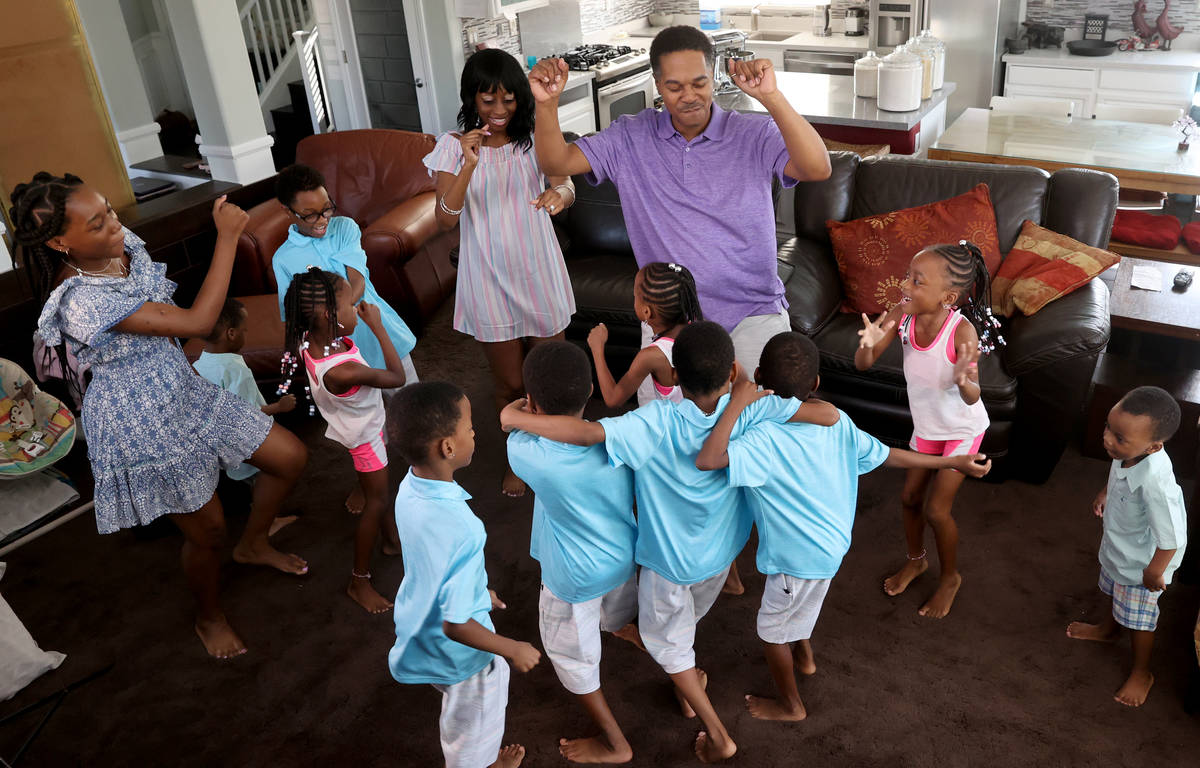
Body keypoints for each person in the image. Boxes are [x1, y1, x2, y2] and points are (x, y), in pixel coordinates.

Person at [501, 321, 837, 764]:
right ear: (733, 370)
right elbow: (828, 414)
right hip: (721, 555)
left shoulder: (653, 422)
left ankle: (717, 732)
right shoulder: (750, 409)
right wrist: (742, 398)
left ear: (673, 377)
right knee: (677, 629)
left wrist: (511, 417)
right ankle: (684, 678)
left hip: (671, 564)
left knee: (669, 644)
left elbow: (589, 435)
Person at [13, 172, 308, 660]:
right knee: (208, 530)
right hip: (137, 421)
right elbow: (197, 323)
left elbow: (175, 325)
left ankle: (252, 543)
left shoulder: (117, 243)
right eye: (98, 223)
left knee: (290, 457)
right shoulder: (80, 302)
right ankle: (208, 616)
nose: (115, 226)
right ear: (60, 241)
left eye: (109, 210)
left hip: (181, 387)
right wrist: (229, 237)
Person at [696, 332, 991, 722]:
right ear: (816, 384)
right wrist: (951, 462)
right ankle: (804, 654)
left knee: (769, 632)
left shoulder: (761, 436)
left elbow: (709, 459)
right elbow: (890, 455)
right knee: (801, 603)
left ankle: (791, 705)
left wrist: (737, 402)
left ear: (762, 379)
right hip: (833, 547)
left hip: (796, 557)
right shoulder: (838, 422)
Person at [528, 25, 831, 375]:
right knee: (667, 430)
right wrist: (547, 106)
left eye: (699, 83)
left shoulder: (754, 133)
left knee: (758, 425)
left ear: (713, 78)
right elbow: (556, 162)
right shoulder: (630, 136)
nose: (689, 96)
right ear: (658, 85)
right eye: (674, 87)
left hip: (753, 313)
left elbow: (818, 167)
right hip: (668, 320)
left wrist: (772, 98)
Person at [425, 48, 577, 498]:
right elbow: (445, 219)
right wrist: (469, 164)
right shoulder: (452, 147)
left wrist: (560, 198)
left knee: (551, 377)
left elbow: (565, 182)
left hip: (538, 267)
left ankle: (559, 454)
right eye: (487, 101)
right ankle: (521, 460)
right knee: (509, 383)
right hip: (487, 274)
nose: (498, 111)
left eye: (508, 100)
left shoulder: (534, 138)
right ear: (471, 98)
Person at [388, 382, 540, 768]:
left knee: (456, 698)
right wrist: (511, 648)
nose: (475, 432)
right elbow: (456, 623)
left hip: (417, 626)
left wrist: (475, 591)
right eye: (470, 428)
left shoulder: (409, 486)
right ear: (448, 448)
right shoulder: (463, 528)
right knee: (471, 731)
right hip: (463, 655)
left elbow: (435, 561)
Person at [854, 241, 1001, 619]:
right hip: (927, 428)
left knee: (937, 510)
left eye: (917, 281)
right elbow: (863, 364)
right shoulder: (900, 315)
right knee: (909, 498)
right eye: (907, 276)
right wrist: (867, 345)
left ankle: (950, 577)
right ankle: (917, 560)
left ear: (947, 297)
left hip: (962, 430)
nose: (905, 285)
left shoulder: (962, 333)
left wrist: (962, 378)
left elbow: (972, 397)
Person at [506, 342, 638, 764]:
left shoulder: (526, 452)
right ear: (587, 395)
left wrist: (513, 413)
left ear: (532, 401)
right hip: (623, 558)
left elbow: (511, 422)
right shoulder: (621, 437)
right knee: (617, 617)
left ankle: (617, 744)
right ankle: (682, 668)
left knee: (573, 659)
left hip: (573, 580)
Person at [281, 267, 407, 614]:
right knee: (377, 501)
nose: (358, 309)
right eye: (352, 306)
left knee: (378, 495)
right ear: (327, 315)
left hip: (362, 424)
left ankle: (393, 542)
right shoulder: (342, 370)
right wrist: (378, 328)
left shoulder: (314, 343)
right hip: (365, 438)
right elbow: (396, 377)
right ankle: (359, 579)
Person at [1067, 386, 1187, 708]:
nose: (1107, 440)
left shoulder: (1155, 483)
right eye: (1109, 427)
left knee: (1139, 619)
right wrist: (1106, 492)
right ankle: (1108, 629)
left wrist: (1154, 572)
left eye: (1119, 438)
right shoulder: (1128, 451)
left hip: (1145, 565)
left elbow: (1172, 538)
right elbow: (1117, 468)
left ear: (1153, 447)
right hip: (1120, 545)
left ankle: (1142, 670)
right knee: (1111, 589)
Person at [193, 297, 297, 483]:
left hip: (221, 441)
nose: (246, 333)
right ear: (231, 334)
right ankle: (268, 510)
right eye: (244, 330)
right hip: (247, 441)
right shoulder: (236, 371)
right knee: (266, 477)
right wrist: (280, 406)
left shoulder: (199, 364)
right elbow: (247, 413)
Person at [588, 261, 700, 408]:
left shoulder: (652, 356)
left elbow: (612, 399)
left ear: (646, 311)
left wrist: (597, 348)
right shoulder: (701, 334)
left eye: (635, 295)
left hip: (674, 430)